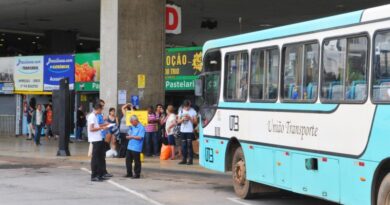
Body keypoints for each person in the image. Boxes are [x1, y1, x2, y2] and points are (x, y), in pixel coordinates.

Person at [87, 103, 109, 182]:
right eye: (101, 109)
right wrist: (102, 127)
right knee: (95, 158)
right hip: (95, 140)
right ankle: (94, 175)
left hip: (98, 139)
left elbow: (96, 126)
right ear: (98, 109)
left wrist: (103, 125)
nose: (101, 111)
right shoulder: (92, 116)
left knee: (99, 157)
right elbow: (91, 129)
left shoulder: (95, 116)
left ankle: (99, 174)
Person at [177, 100, 197, 165]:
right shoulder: (181, 111)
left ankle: (190, 160)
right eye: (185, 107)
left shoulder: (193, 111)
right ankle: (184, 159)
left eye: (187, 107)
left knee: (189, 145)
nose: (186, 108)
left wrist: (190, 118)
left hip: (189, 131)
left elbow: (195, 122)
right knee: (183, 145)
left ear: (189, 105)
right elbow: (178, 121)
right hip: (183, 130)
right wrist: (182, 119)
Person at [97, 99, 113, 178]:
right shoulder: (97, 115)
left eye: (103, 105)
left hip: (103, 136)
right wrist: (105, 125)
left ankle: (103, 171)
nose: (103, 107)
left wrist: (106, 124)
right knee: (100, 156)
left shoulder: (101, 114)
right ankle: (101, 172)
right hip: (99, 137)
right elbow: (98, 125)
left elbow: (101, 124)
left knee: (103, 156)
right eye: (101, 106)